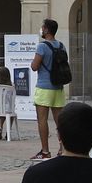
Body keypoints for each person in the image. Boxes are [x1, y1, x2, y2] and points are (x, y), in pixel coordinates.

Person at [30, 19, 69, 159]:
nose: (41, 29)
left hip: (44, 87)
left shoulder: (42, 46)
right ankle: (62, 148)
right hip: (58, 87)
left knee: (42, 120)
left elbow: (34, 66)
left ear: (46, 30)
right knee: (60, 121)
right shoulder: (61, 46)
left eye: (42, 27)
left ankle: (45, 151)